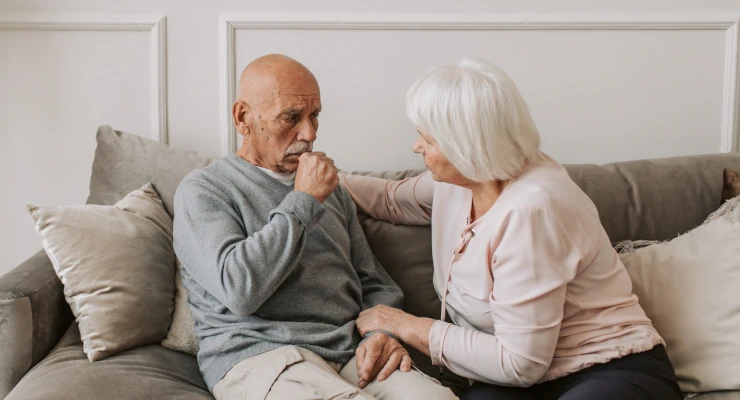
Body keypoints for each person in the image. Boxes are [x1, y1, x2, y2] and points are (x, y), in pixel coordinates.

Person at [339, 56, 683, 400]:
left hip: (607, 367)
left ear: (465, 146)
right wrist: (311, 180)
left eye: (427, 140)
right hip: (514, 380)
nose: (417, 147)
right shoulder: (460, 181)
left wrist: (406, 325)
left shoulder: (532, 210)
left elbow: (521, 363)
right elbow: (391, 200)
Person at [173, 54, 457, 400]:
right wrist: (304, 199)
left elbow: (374, 281)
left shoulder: (329, 188)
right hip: (262, 356)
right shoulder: (204, 190)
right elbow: (240, 290)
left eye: (314, 116)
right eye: (291, 117)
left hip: (349, 352)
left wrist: (382, 334)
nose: (308, 133)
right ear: (242, 117)